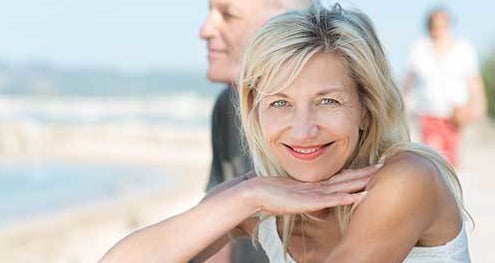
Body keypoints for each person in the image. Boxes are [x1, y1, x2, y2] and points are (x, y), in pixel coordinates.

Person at [99, 2, 471, 262]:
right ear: (255, 113)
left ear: (365, 108)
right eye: (280, 103)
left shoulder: (406, 179)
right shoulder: (262, 197)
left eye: (328, 101)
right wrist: (247, 196)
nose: (303, 129)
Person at [199, 0, 311, 261]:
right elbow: (218, 237)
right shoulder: (229, 105)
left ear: (284, 24)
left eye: (228, 15)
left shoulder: (325, 132)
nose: (205, 30)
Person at [402, 7, 487, 167]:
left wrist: (479, 104)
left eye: (443, 25)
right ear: (429, 27)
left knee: (451, 160)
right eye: (436, 25)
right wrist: (402, 103)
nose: (439, 29)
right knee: (433, 156)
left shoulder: (463, 49)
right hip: (427, 113)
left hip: (454, 115)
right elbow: (408, 81)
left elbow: (474, 80)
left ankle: (447, 189)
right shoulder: (419, 49)